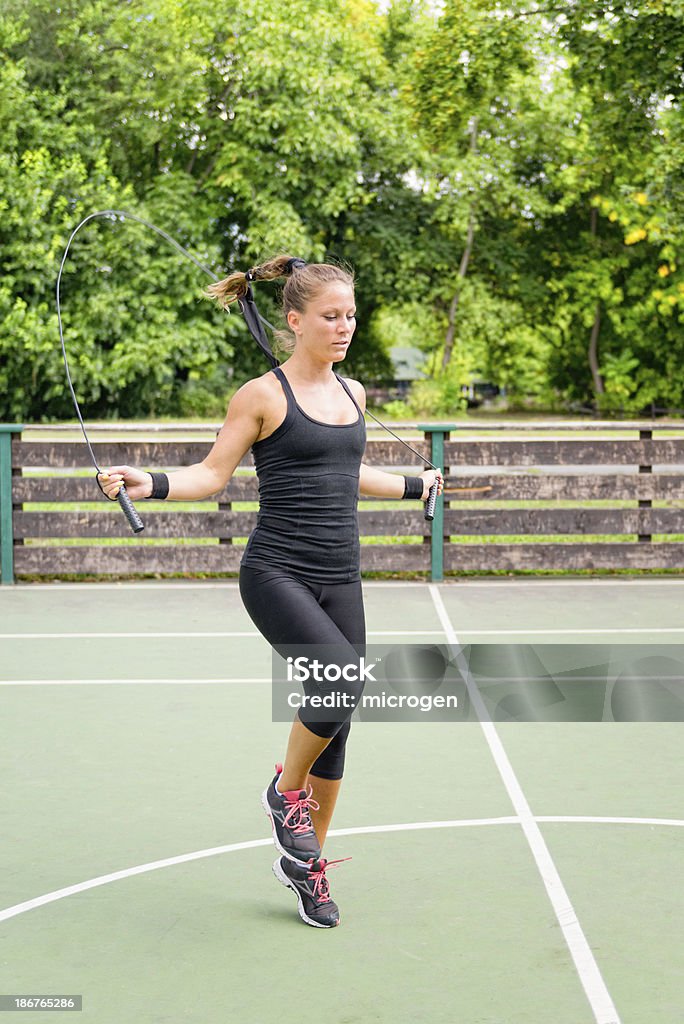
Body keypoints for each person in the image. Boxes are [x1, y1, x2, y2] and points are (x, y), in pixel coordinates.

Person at [98, 255, 443, 928]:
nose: (344, 327)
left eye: (350, 315)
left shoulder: (354, 394)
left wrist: (415, 485)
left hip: (341, 575)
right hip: (277, 573)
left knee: (336, 731)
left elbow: (350, 472)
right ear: (294, 321)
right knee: (342, 680)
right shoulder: (261, 396)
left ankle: (305, 866)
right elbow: (210, 475)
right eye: (329, 316)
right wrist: (150, 483)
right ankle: (284, 795)